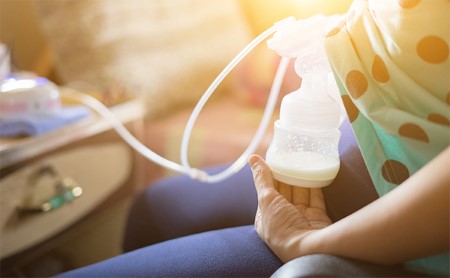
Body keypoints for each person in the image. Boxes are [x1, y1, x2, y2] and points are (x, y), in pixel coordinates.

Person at [60, 0, 449, 276]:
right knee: (151, 208)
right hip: (355, 163)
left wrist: (309, 245)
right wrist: (351, 30)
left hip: (404, 218)